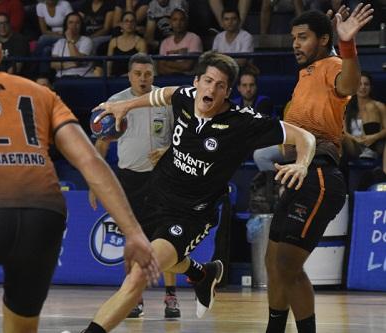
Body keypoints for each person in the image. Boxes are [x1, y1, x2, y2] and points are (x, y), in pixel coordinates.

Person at [0, 6, 159, 333]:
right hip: (44, 217)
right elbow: (90, 160)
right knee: (21, 327)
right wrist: (133, 233)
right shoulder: (41, 94)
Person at [78, 50, 316, 333]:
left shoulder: (243, 122)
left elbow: (305, 137)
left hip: (190, 214)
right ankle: (202, 274)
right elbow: (163, 94)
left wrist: (301, 163)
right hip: (154, 196)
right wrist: (126, 106)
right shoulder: (186, 97)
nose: (211, 89)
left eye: (219, 85)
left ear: (228, 92)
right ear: (196, 82)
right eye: (207, 81)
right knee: (144, 262)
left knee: (139, 274)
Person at [264, 5, 373, 333]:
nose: (295, 44)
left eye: (303, 37)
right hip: (297, 175)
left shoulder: (333, 65)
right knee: (273, 262)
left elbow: (350, 85)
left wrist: (347, 45)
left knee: (287, 264)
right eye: (293, 38)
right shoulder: (303, 78)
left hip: (321, 177)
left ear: (324, 39)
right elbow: (289, 139)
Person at [89, 53, 179, 318]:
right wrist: (94, 183)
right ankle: (134, 298)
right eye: (138, 74)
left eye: (148, 74)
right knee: (134, 240)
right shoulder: (116, 102)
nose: (143, 78)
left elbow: (182, 137)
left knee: (167, 239)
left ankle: (171, 298)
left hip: (163, 177)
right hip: (130, 179)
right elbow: (102, 144)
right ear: (129, 75)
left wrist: (167, 150)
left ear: (154, 75)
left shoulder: (166, 99)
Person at [343, 72, 386, 171]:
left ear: (371, 87)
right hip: (355, 146)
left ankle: (370, 153)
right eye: (359, 84)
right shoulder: (348, 107)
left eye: (366, 84)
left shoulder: (379, 106)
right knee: (339, 137)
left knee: (370, 107)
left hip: (374, 144)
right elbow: (343, 131)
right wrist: (355, 139)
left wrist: (372, 137)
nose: (362, 87)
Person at [157, 7, 202, 75]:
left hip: (189, 81)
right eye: (175, 20)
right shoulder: (165, 42)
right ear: (170, 23)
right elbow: (160, 68)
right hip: (168, 80)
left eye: (182, 20)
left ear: (186, 22)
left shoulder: (194, 38)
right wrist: (180, 70)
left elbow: (188, 66)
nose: (178, 23)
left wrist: (167, 63)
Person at [50, 12, 95, 77]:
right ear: (66, 26)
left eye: (77, 23)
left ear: (81, 26)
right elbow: (53, 64)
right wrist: (73, 64)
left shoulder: (86, 41)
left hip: (82, 77)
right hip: (62, 78)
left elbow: (77, 60)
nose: (74, 25)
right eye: (70, 22)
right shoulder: (59, 42)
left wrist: (70, 40)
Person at [106, 11, 147, 77]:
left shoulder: (141, 42)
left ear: (135, 24)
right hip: (115, 79)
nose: (129, 23)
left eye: (132, 21)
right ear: (121, 24)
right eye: (126, 21)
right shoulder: (113, 42)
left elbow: (142, 65)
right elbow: (109, 65)